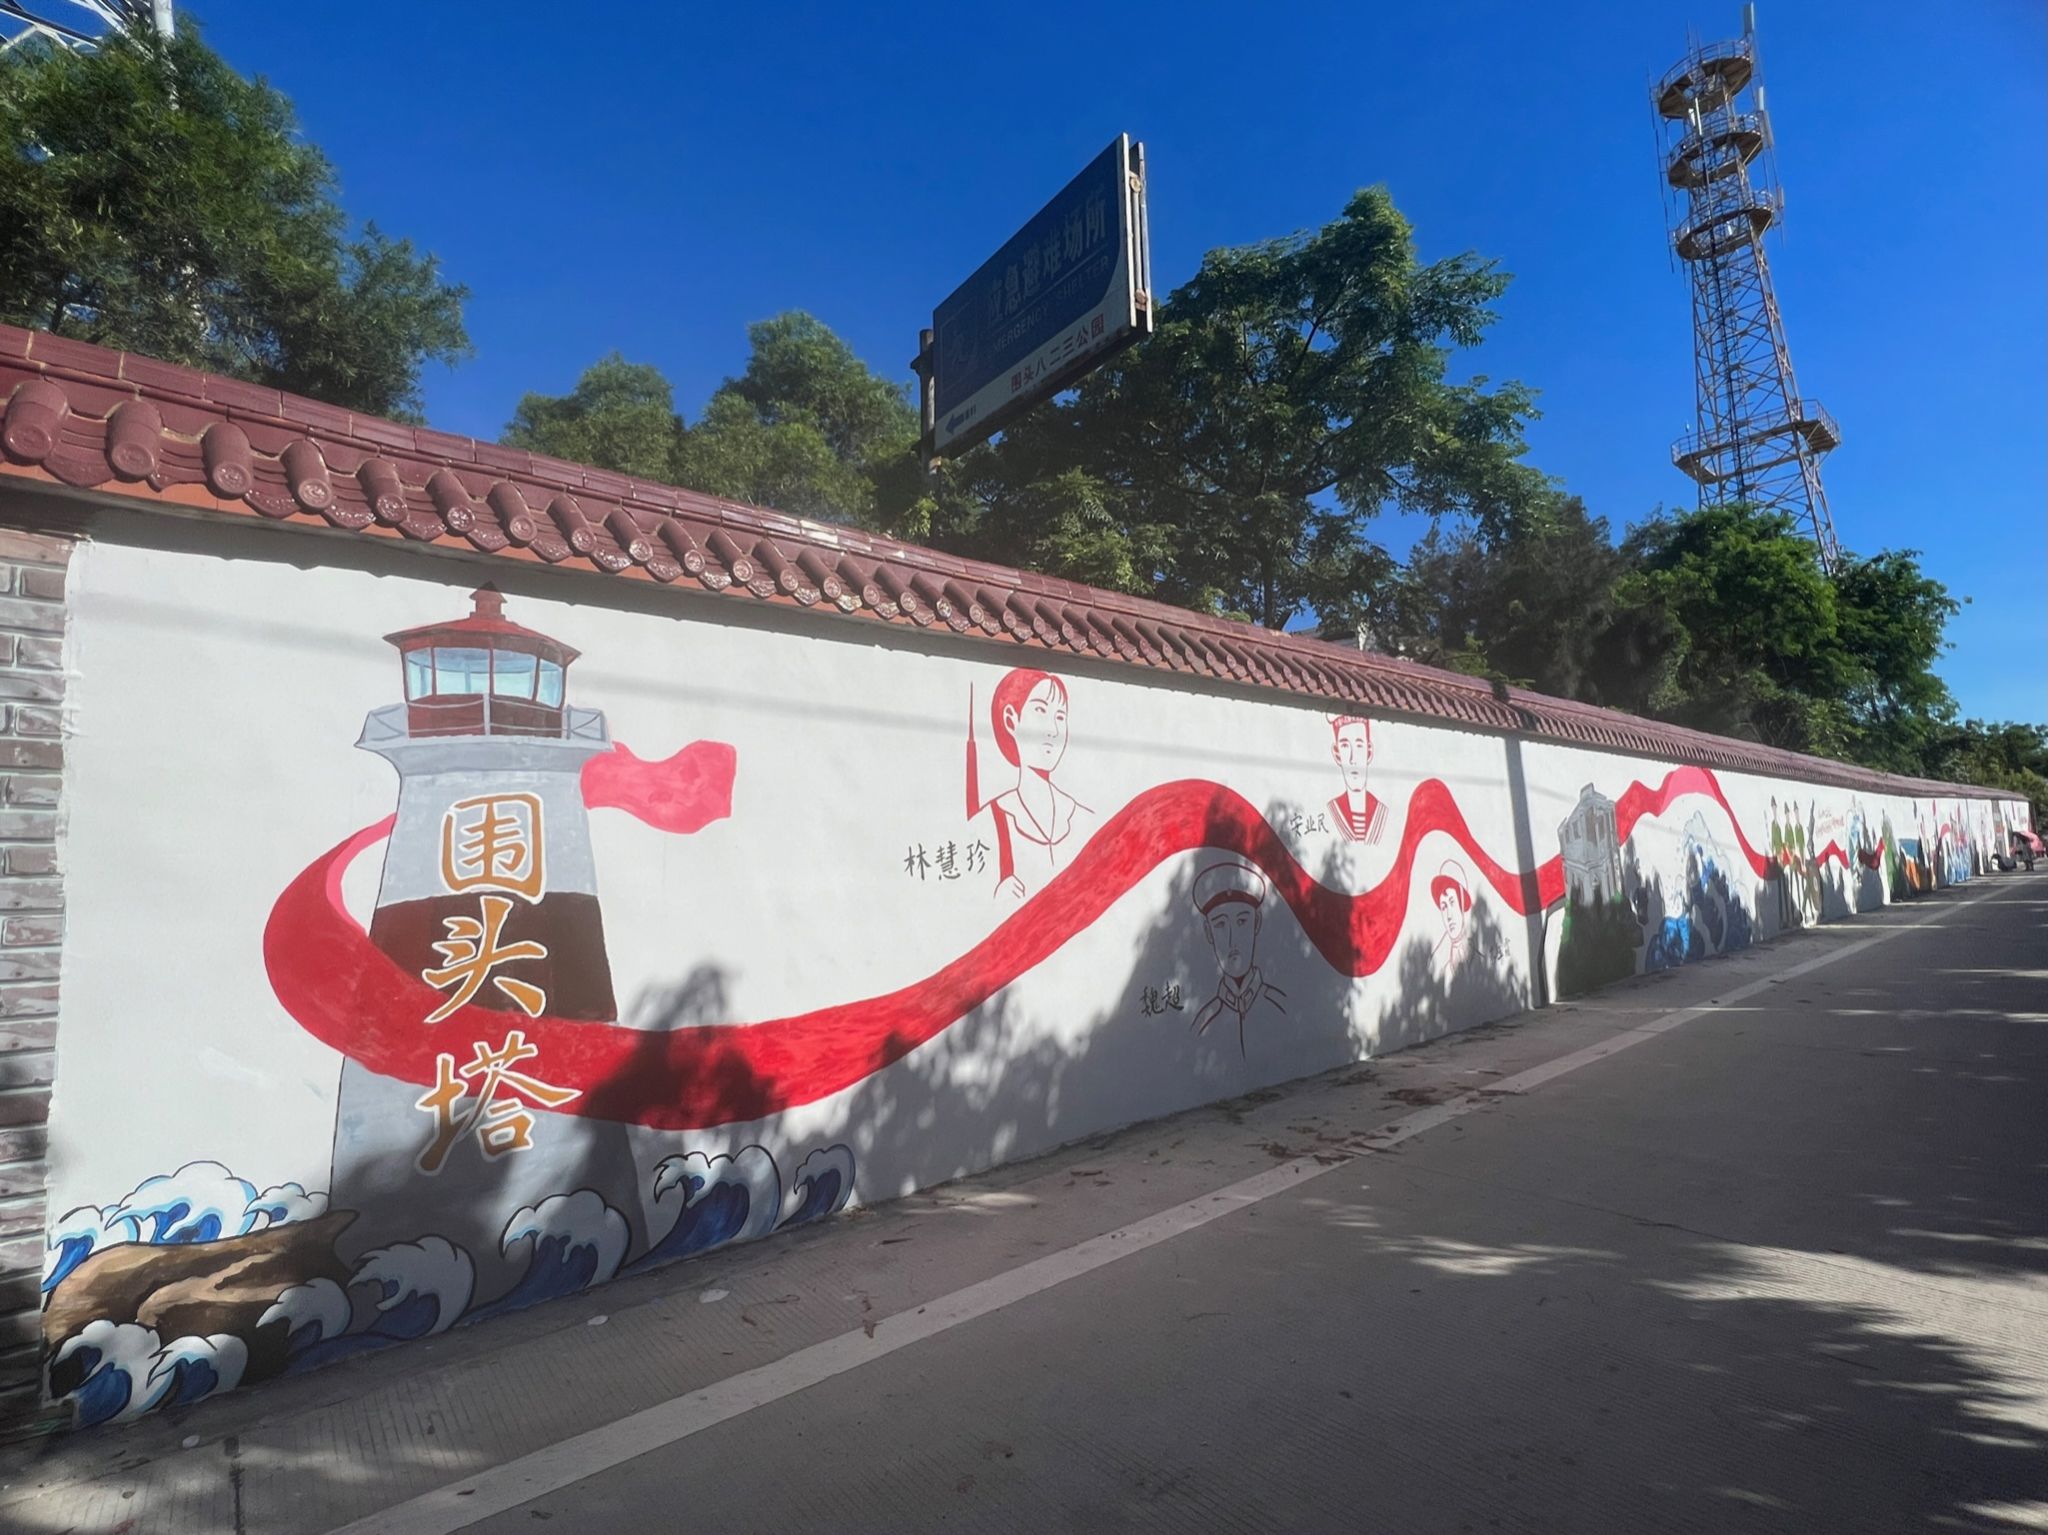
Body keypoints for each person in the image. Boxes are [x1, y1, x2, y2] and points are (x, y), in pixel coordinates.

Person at [969, 668, 1093, 901]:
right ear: (1011, 720)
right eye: (1040, 711)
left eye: (1060, 717)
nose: (1053, 730)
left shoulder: (1081, 817)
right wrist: (998, 899)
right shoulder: (989, 822)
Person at [1189, 860, 1287, 1055]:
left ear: (1256, 922)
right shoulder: (1204, 1023)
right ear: (1208, 932)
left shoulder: (1280, 1005)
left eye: (1242, 921)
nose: (1232, 939)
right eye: (1220, 925)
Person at [1326, 715, 1386, 844]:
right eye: (1345, 746)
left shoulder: (1380, 813)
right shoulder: (1333, 811)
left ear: (1369, 752)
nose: (1353, 759)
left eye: (1359, 745)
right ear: (1337, 754)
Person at [1430, 859, 1473, 979]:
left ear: (1462, 903)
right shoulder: (1437, 962)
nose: (1449, 916)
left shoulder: (1478, 944)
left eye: (1452, 902)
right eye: (1444, 907)